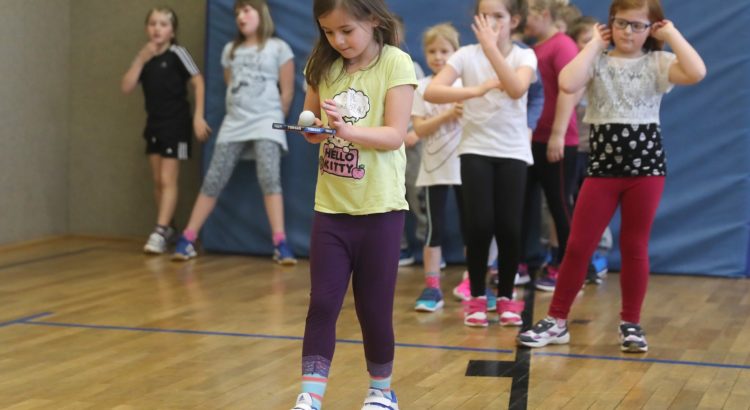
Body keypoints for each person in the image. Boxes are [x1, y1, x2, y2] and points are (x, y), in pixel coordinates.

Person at [519, 0, 706, 353]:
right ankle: (557, 319)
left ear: (651, 29)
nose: (628, 32)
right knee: (577, 245)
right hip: (603, 168)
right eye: (621, 24)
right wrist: (592, 44)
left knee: (634, 246)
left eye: (637, 25)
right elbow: (567, 81)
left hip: (646, 169)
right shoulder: (597, 61)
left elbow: (696, 72)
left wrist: (673, 34)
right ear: (610, 25)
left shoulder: (658, 63)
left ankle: (630, 323)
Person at [290, 0, 417, 408]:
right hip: (331, 209)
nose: (337, 40)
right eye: (328, 32)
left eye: (346, 30)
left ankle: (382, 391)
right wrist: (312, 130)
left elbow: (395, 134)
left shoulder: (395, 62)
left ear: (373, 21)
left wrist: (348, 129)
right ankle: (310, 395)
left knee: (373, 308)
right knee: (323, 303)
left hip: (380, 210)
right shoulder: (322, 66)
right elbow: (310, 120)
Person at [425, 0, 536, 328]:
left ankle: (504, 298)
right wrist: (474, 90)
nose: (490, 23)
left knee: (510, 228)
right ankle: (476, 296)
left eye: (498, 16)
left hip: (513, 151)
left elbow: (516, 89)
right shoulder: (465, 55)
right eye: (484, 16)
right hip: (475, 148)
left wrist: (492, 50)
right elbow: (433, 91)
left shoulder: (523, 55)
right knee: (479, 225)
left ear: (513, 20)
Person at [171, 0, 297, 264]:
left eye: (247, 10)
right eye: (238, 12)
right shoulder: (230, 50)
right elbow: (230, 83)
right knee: (213, 178)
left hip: (267, 122)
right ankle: (188, 238)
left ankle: (280, 243)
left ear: (260, 14)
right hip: (235, 123)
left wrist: (274, 117)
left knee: (269, 178)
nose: (241, 16)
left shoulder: (278, 47)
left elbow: (287, 90)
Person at [121, 7, 210, 254]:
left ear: (172, 31)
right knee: (158, 181)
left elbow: (198, 80)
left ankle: (159, 230)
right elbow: (126, 86)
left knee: (168, 179)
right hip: (154, 124)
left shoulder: (177, 53)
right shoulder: (145, 58)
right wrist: (140, 59)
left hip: (176, 124)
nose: (157, 28)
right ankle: (168, 227)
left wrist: (198, 116)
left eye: (163, 24)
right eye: (152, 23)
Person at [521, 0, 581, 292]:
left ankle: (568, 268)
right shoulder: (534, 48)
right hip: (532, 139)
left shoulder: (563, 45)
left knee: (560, 205)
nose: (522, 20)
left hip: (556, 142)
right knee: (524, 204)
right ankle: (523, 261)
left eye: (527, 14)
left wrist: (558, 134)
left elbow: (570, 90)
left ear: (544, 15)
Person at [411, 23, 466, 312]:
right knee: (433, 229)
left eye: (444, 51)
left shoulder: (464, 85)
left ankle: (476, 282)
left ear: (456, 53)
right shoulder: (422, 87)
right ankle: (432, 287)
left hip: (466, 168)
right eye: (432, 51)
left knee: (475, 227)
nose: (438, 56)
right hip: (433, 170)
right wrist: (447, 115)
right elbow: (418, 128)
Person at [568, 15, 611, 284]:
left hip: (600, 153)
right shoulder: (574, 73)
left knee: (600, 209)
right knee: (570, 204)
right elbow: (567, 99)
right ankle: (570, 254)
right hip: (575, 150)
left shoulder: (607, 70)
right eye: (584, 41)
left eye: (594, 42)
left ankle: (598, 253)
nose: (591, 46)